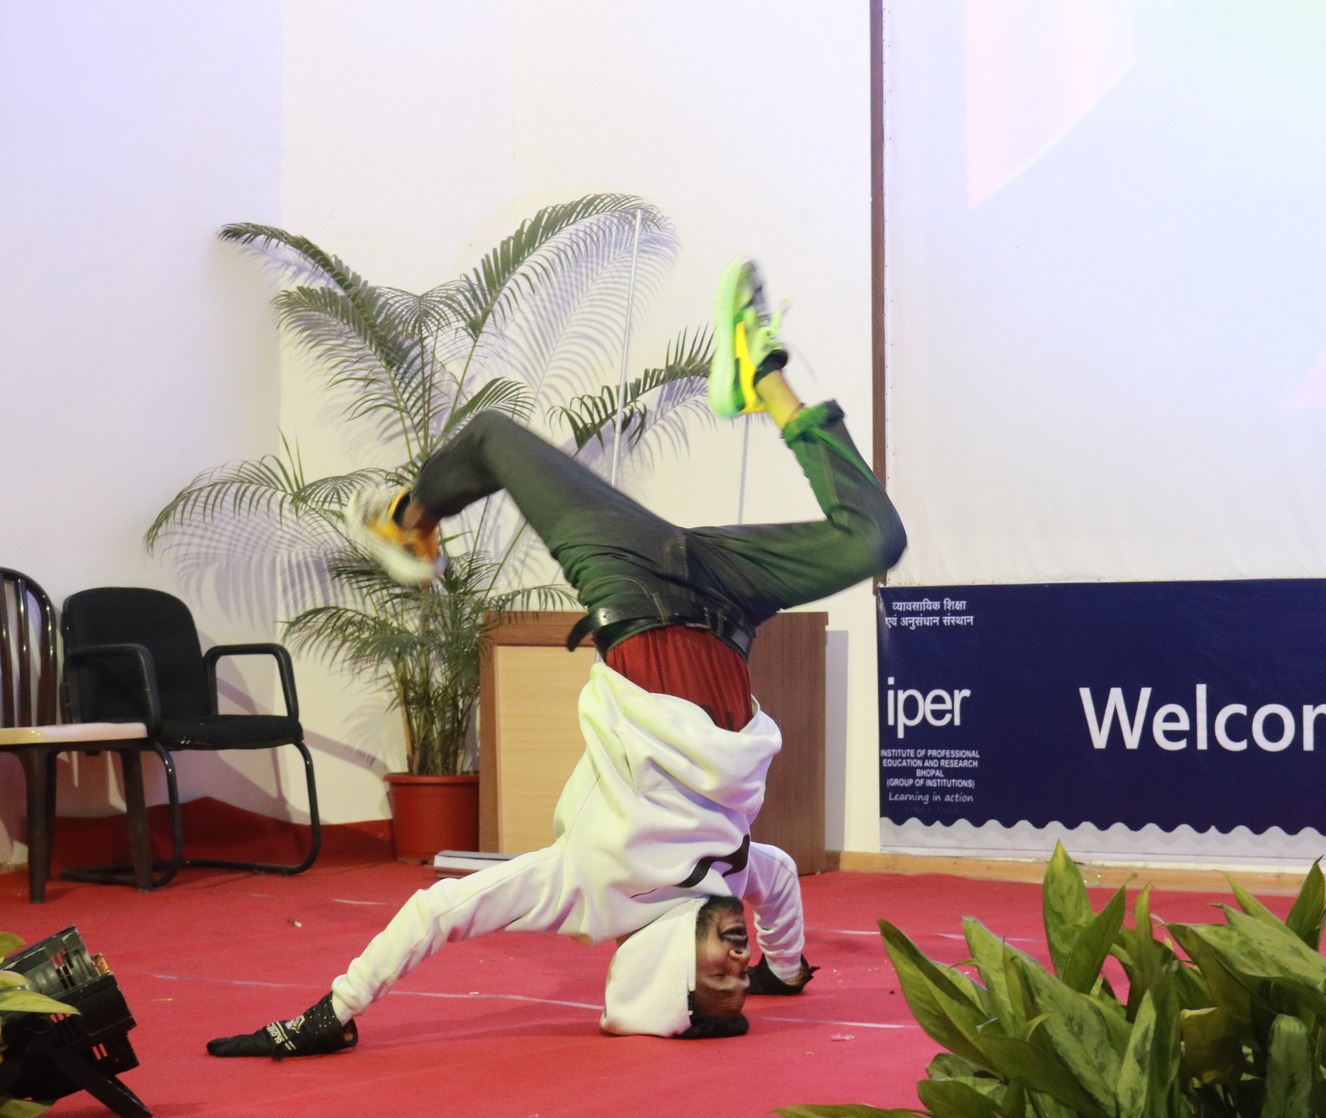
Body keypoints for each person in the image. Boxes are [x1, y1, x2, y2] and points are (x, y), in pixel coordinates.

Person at [207, 258, 904, 1055]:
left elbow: (441, 910)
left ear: (668, 973)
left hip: (631, 588)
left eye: (720, 978)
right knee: (876, 540)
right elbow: (778, 885)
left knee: (492, 439)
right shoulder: (735, 874)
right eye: (739, 979)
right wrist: (786, 968)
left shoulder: (586, 888)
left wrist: (329, 1014)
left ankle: (406, 517)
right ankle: (761, 375)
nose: (735, 965)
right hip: (730, 602)